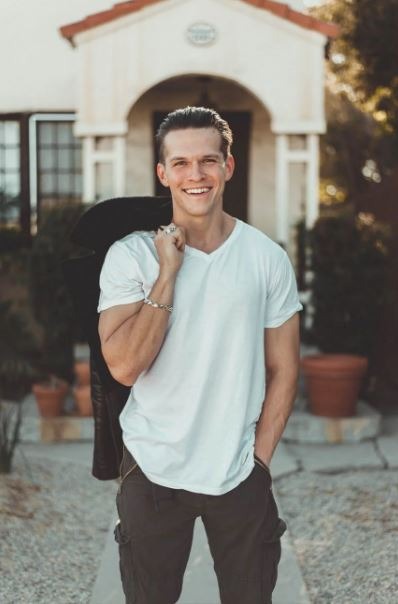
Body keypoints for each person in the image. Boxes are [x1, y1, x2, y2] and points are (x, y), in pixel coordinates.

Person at [97, 106, 303, 604]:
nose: (196, 175)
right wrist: (168, 273)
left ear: (228, 167)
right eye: (182, 163)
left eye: (208, 161)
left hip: (237, 472)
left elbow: (284, 368)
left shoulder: (266, 258)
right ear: (163, 173)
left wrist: (259, 461)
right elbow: (124, 366)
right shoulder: (131, 256)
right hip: (152, 468)